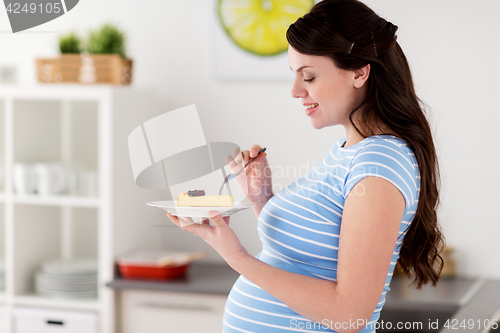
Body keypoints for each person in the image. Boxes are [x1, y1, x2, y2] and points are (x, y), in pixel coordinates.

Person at [167, 0, 445, 331]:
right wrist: (261, 199)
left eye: (308, 76)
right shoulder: (349, 152)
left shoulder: (378, 164)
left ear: (359, 72)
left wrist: (237, 258)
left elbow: (349, 314)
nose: (296, 91)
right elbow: (306, 261)